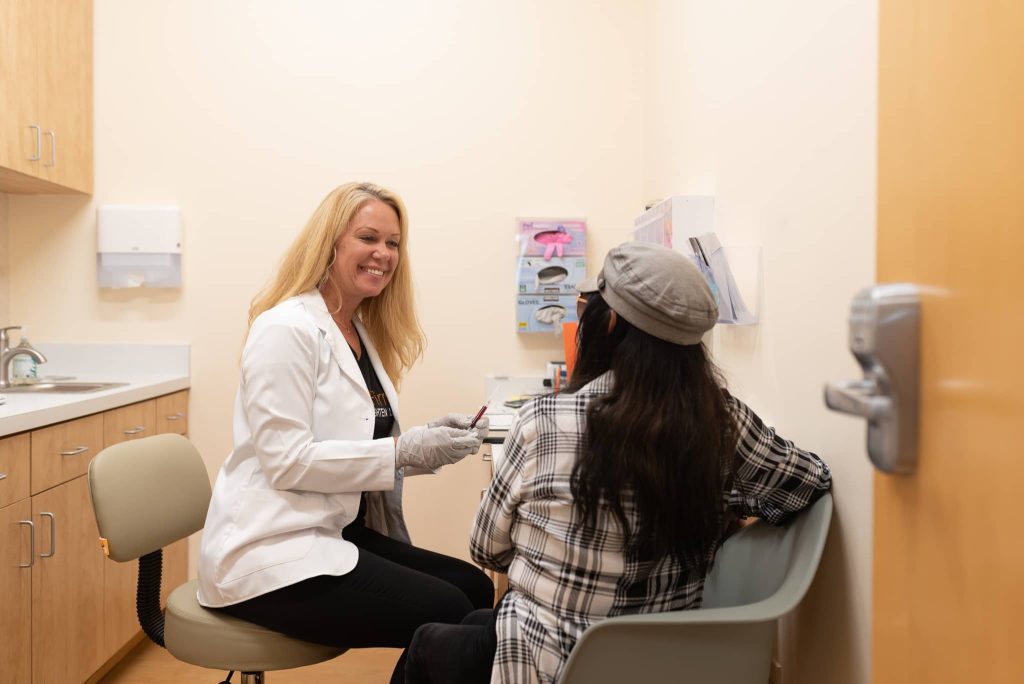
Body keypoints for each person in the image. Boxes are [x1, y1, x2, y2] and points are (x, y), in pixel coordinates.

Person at [404, 241, 832, 684]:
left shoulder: (543, 421)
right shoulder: (724, 423)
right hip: (663, 664)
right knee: (475, 625)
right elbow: (810, 483)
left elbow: (486, 550)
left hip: (550, 664)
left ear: (608, 321)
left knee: (427, 643)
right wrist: (727, 505)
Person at [196, 182, 495, 683]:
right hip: (269, 549)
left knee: (474, 588)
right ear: (330, 244)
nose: (383, 254)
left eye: (394, 243)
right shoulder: (286, 329)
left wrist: (426, 445)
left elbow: (355, 437)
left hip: (331, 530)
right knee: (449, 607)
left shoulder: (355, 330)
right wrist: (403, 451)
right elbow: (287, 461)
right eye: (368, 238)